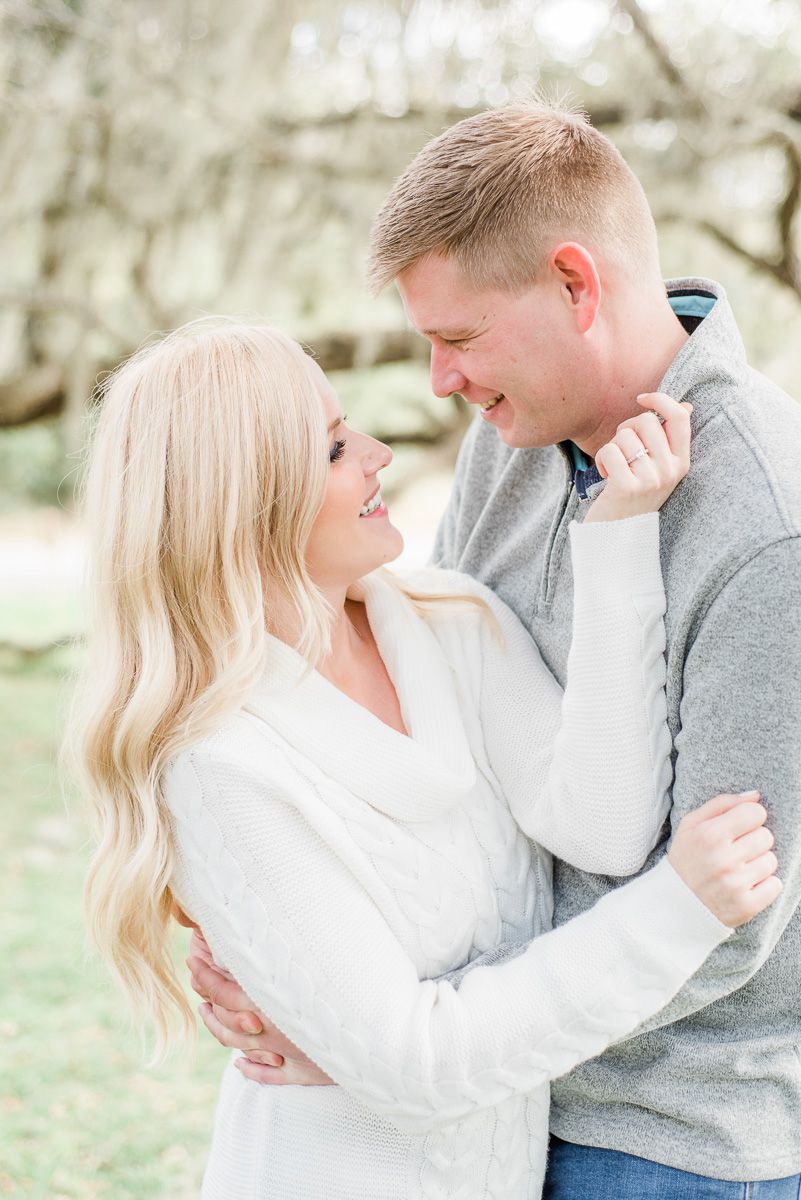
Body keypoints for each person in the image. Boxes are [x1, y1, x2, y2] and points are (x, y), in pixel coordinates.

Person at [195, 104, 801, 1195]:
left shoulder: (767, 524)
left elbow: (739, 912)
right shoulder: (510, 439)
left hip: (667, 1138)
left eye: (460, 338)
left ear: (577, 283)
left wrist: (401, 1031)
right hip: (493, 1114)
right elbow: (460, 748)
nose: (437, 381)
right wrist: (305, 954)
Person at [75, 320, 778, 1200]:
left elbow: (600, 825)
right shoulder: (220, 765)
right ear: (244, 504)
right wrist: (678, 911)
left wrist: (618, 535)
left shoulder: (447, 620)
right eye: (333, 448)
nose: (376, 455)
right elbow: (416, 1065)